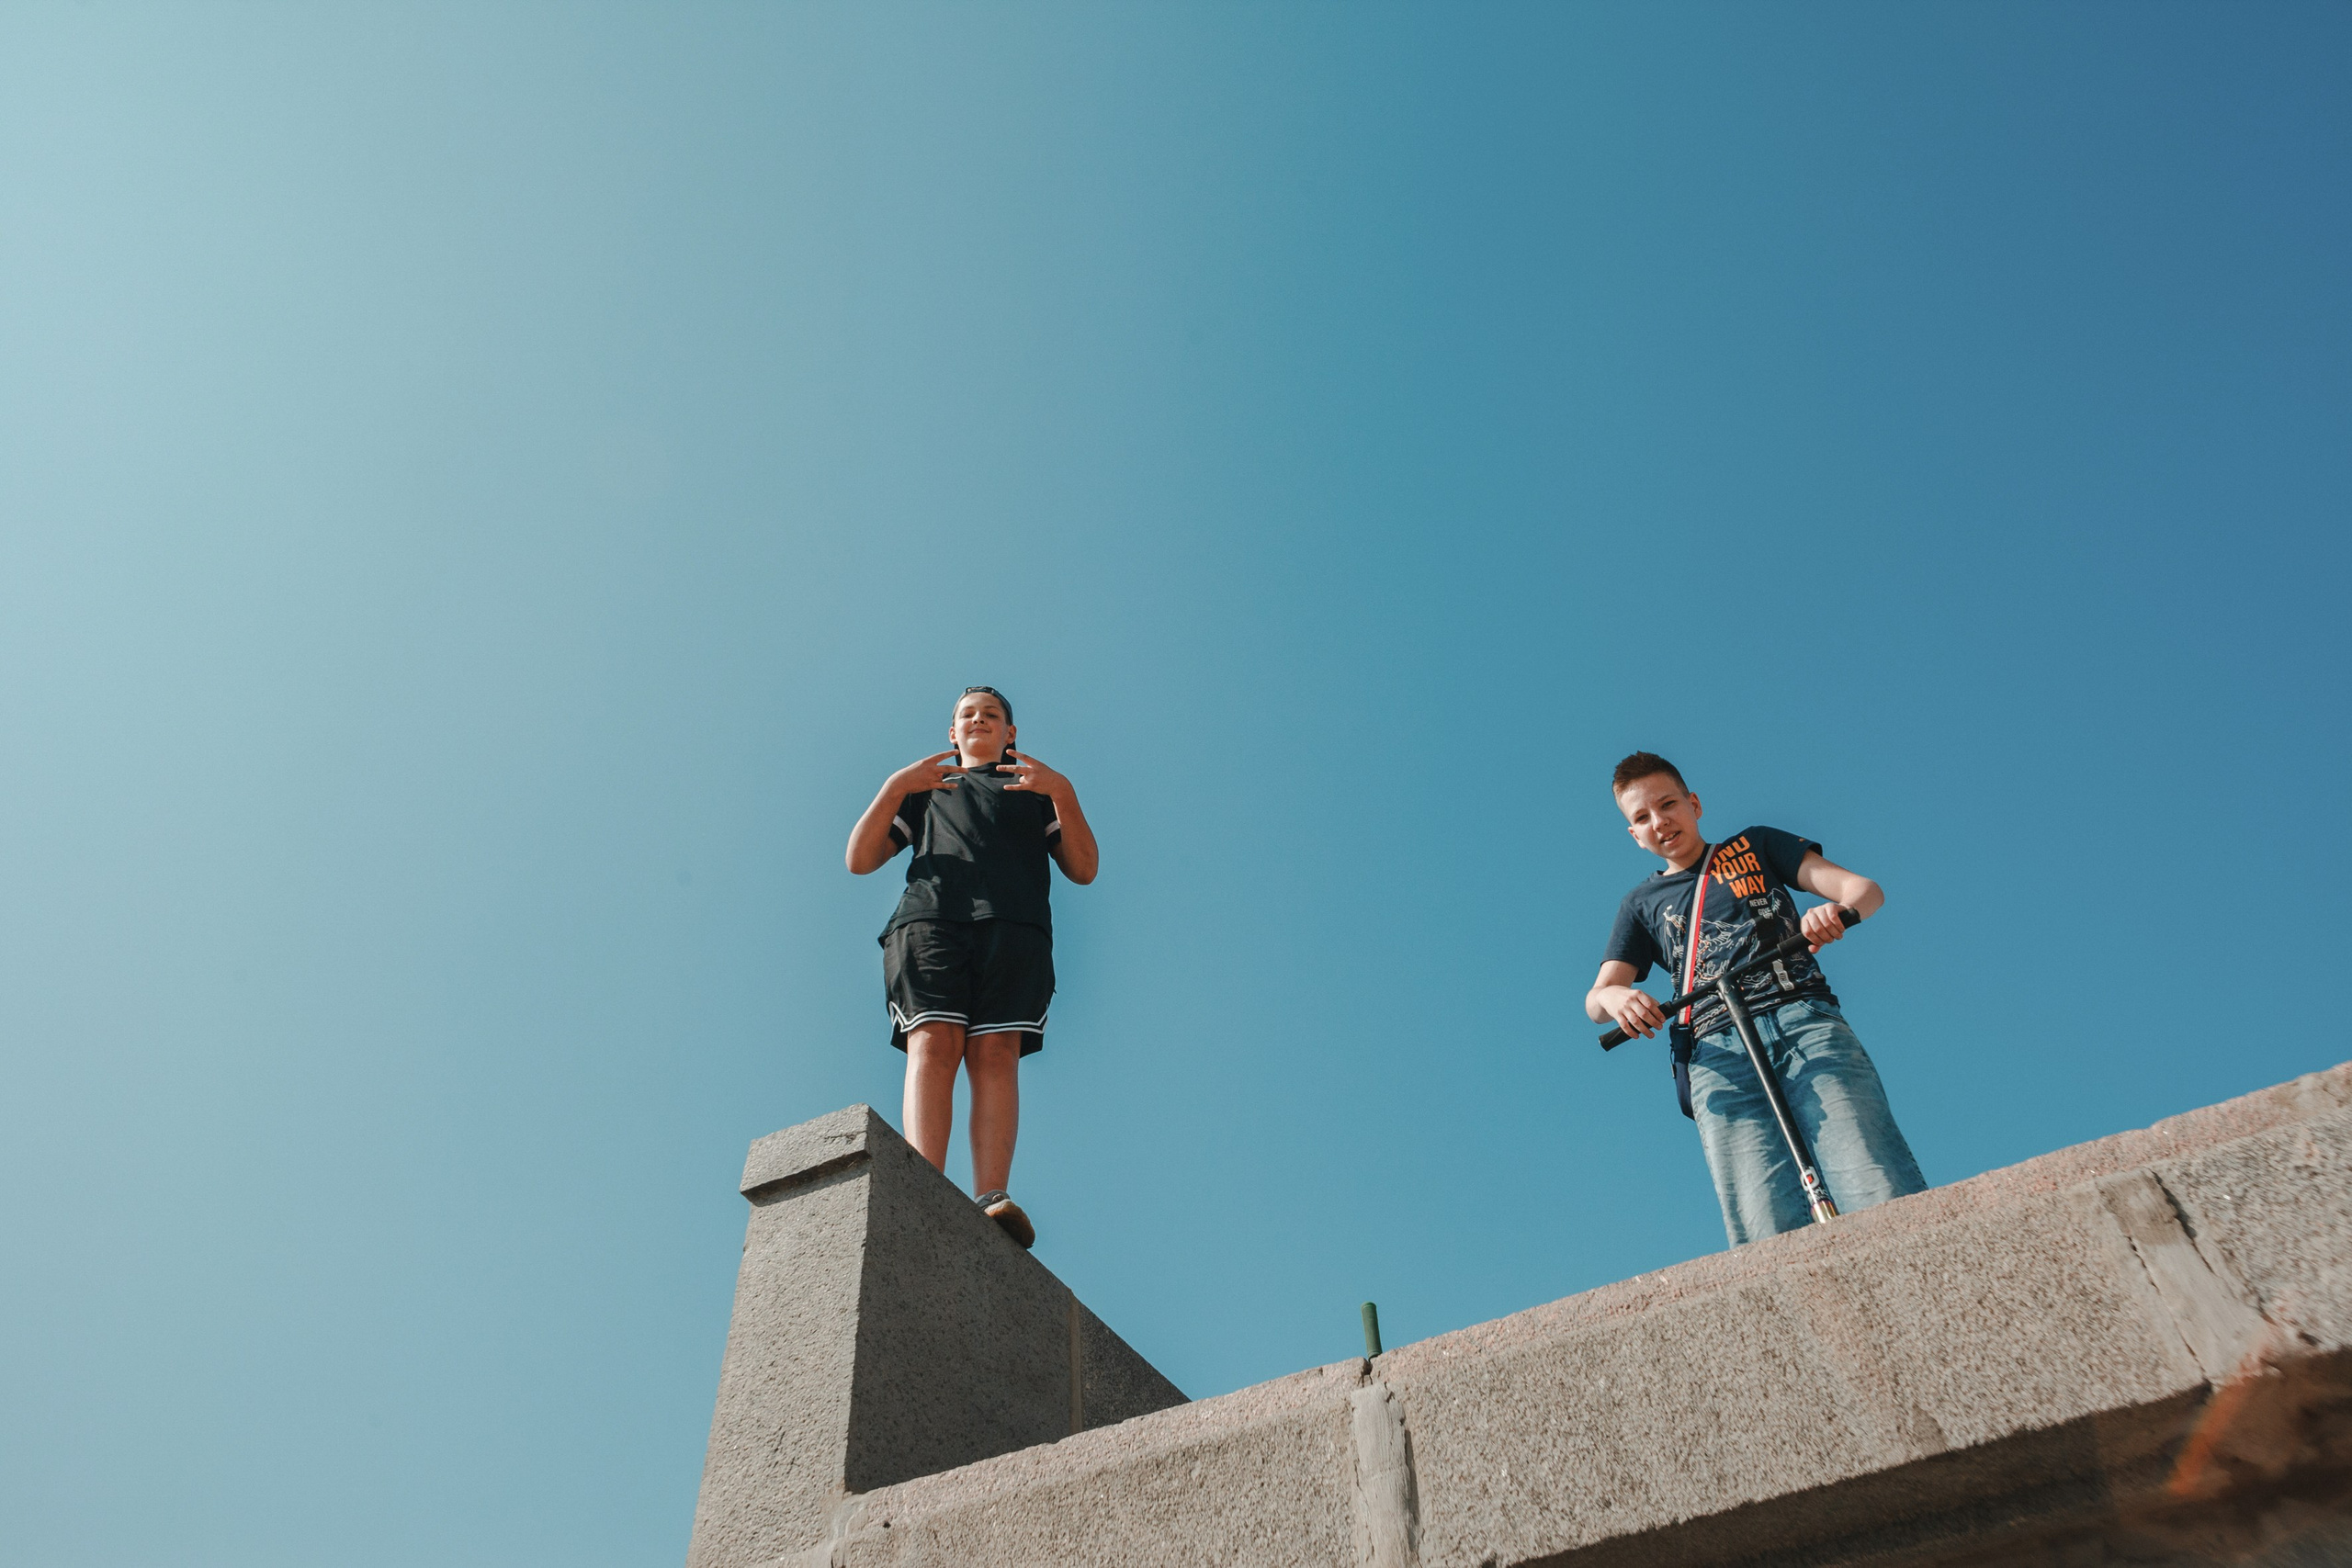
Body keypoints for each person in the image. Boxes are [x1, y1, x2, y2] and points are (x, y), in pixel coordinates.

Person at [1584, 751, 1925, 1246]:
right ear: (1633, 834)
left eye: (1668, 804)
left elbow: (1864, 891)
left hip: (1802, 1022)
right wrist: (1617, 998)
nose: (1659, 822)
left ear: (1694, 804)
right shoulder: (1640, 904)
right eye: (1642, 818)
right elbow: (1596, 1000)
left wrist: (1830, 913)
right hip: (1717, 1056)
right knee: (1765, 1222)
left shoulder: (1757, 845)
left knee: (1872, 1178)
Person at [844, 687, 1099, 1248]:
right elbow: (860, 860)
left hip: (1015, 931)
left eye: (992, 714)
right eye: (967, 715)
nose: (979, 719)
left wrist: (1064, 791)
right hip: (931, 923)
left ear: (1011, 734)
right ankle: (921, 1181)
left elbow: (1084, 868)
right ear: (951, 733)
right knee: (933, 1043)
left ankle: (992, 1197)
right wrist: (894, 786)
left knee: (995, 1054)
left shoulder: (1033, 791)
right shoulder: (927, 790)